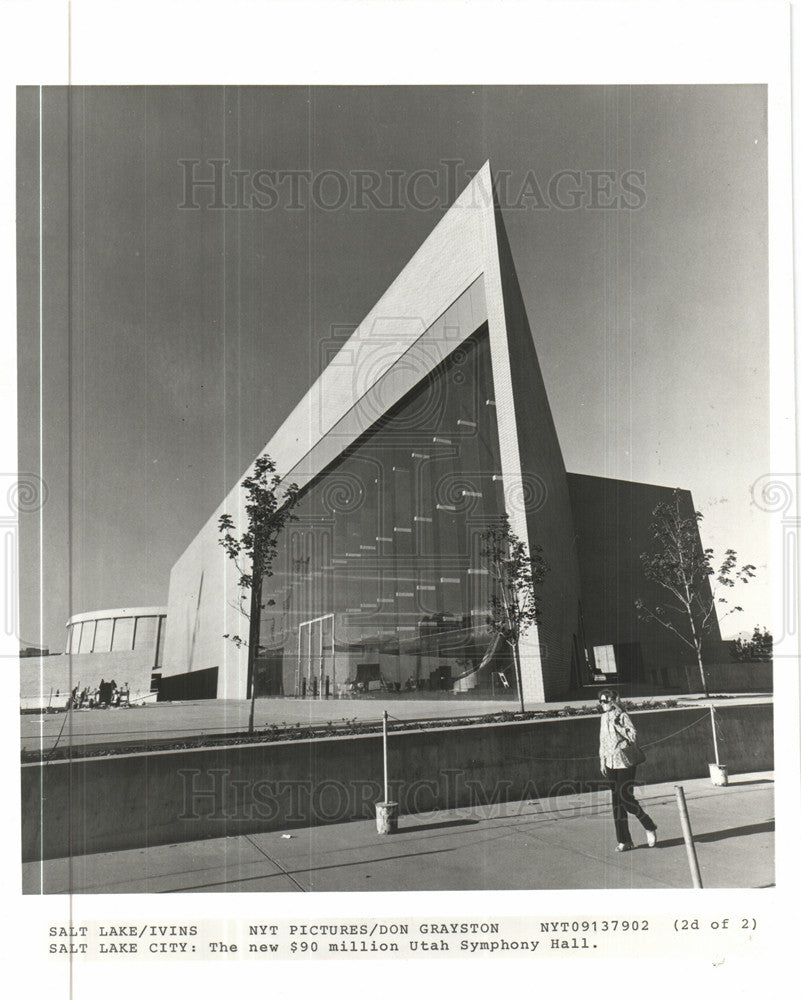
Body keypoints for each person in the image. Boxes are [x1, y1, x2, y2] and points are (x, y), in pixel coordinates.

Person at [598, 688, 658, 852]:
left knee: (625, 797)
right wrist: (602, 761)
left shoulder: (622, 716)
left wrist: (619, 727)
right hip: (610, 764)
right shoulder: (603, 718)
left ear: (613, 701)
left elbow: (633, 736)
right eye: (600, 701)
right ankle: (624, 841)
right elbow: (602, 741)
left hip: (625, 762)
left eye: (605, 700)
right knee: (616, 802)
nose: (602, 704)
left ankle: (648, 824)